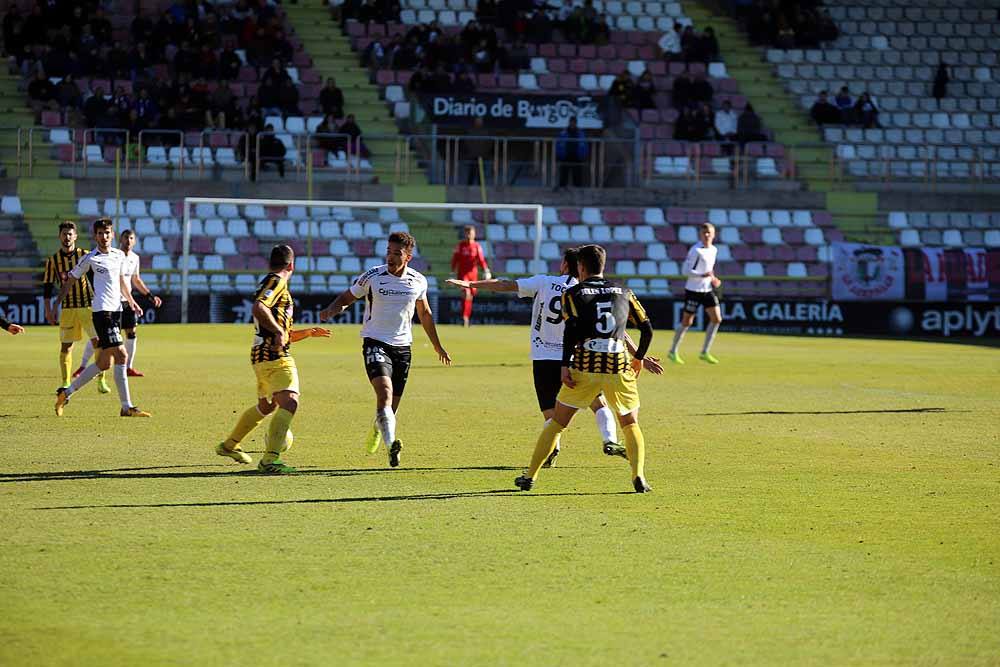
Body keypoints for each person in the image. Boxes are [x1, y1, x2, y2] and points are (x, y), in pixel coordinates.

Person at [448, 247, 664, 465]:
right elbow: (617, 330)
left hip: (543, 357)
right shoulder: (585, 290)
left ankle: (552, 449)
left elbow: (506, 284)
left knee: (552, 414)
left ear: (565, 264)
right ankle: (609, 439)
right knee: (599, 404)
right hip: (575, 358)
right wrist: (639, 356)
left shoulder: (543, 282)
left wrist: (471, 284)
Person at [514, 244, 654, 493]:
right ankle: (639, 477)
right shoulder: (624, 291)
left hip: (586, 364)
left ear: (580, 267)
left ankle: (530, 476)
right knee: (630, 422)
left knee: (557, 422)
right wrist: (639, 357)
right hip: (617, 365)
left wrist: (565, 365)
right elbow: (646, 328)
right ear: (603, 264)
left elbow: (571, 331)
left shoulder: (575, 293)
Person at [320, 232, 451, 467]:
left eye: (396, 253)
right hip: (375, 341)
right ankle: (392, 447)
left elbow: (425, 313)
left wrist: (437, 345)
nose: (390, 257)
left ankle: (377, 431)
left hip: (403, 348)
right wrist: (332, 309)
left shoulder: (418, 281)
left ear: (408, 257)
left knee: (389, 408)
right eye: (388, 252)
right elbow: (348, 296)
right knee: (384, 393)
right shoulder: (372, 276)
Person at [216, 244, 331, 472]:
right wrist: (278, 332)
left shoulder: (273, 282)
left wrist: (305, 333)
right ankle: (270, 460)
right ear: (292, 265)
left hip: (262, 353)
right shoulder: (277, 281)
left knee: (267, 406)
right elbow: (259, 307)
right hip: (274, 354)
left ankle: (229, 445)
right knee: (290, 401)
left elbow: (278, 328)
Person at [54, 218, 149, 417]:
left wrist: (131, 301)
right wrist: (57, 302)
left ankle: (66, 393)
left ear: (112, 235)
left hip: (117, 312)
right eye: (100, 233)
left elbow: (122, 281)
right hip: (102, 312)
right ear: (95, 236)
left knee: (104, 363)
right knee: (121, 355)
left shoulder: (118, 256)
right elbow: (71, 279)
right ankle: (127, 407)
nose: (104, 237)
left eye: (107, 233)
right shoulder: (90, 258)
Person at [44, 221, 109, 394]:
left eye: (70, 234)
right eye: (64, 234)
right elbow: (48, 288)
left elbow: (98, 280)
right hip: (68, 308)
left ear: (75, 236)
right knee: (66, 346)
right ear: (59, 236)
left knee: (99, 343)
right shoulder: (53, 261)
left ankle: (101, 380)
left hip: (89, 306)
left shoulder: (85, 255)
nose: (67, 237)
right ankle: (65, 382)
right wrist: (49, 310)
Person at [668, 222, 722, 365]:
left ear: (714, 234)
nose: (706, 235)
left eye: (709, 232)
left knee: (717, 319)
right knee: (687, 322)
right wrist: (702, 275)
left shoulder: (714, 250)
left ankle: (705, 352)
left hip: (707, 290)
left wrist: (713, 279)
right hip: (693, 290)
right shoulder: (696, 250)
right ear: (700, 234)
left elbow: (709, 269)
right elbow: (686, 271)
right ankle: (673, 351)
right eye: (704, 233)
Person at [117, 230, 163, 377]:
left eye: (131, 238)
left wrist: (150, 295)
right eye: (126, 238)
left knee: (131, 333)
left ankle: (128, 367)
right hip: (113, 301)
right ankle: (87, 366)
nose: (128, 241)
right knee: (107, 335)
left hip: (127, 301)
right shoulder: (114, 256)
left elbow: (136, 280)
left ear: (135, 241)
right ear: (120, 239)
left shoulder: (135, 258)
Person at [450, 225, 491, 327]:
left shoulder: (477, 246)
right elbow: (455, 259)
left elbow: (481, 259)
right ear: (465, 234)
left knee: (470, 297)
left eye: (471, 233)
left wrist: (486, 270)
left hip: (473, 274)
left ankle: (467, 317)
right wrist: (452, 271)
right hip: (463, 274)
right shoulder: (460, 245)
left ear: (474, 234)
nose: (469, 235)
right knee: (466, 292)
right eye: (467, 233)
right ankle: (464, 318)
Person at [555, 116, 590, 190]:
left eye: (574, 122)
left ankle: (577, 189)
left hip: (577, 156)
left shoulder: (581, 133)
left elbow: (585, 145)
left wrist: (584, 155)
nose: (572, 124)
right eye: (571, 122)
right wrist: (558, 155)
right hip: (565, 156)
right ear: (569, 122)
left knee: (577, 174)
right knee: (563, 174)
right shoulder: (563, 133)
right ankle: (562, 188)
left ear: (576, 123)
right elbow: (558, 144)